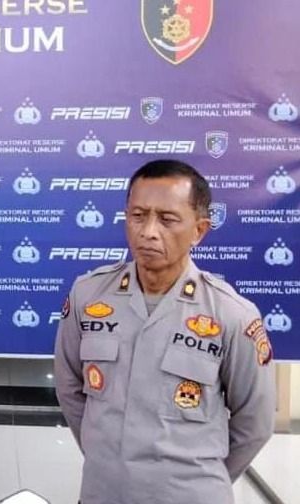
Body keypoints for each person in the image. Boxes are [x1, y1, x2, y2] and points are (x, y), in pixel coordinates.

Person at [54, 159, 275, 504]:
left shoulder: (232, 315)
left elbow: (254, 423)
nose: (148, 232)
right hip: (103, 492)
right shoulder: (88, 295)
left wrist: (199, 478)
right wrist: (109, 458)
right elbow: (69, 387)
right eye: (138, 216)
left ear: (199, 230)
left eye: (167, 219)